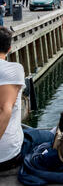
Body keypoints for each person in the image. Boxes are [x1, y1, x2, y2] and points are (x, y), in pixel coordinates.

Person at [0, 27, 26, 171]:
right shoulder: (15, 69)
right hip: (8, 156)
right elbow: (6, 109)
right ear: (9, 48)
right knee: (45, 137)